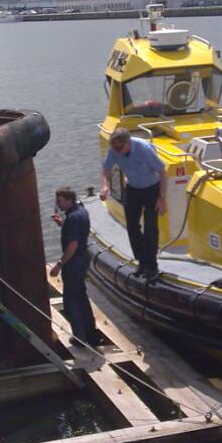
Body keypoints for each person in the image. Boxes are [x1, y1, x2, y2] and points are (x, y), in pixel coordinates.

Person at [100, 128, 167, 279]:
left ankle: (152, 265)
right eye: (115, 148)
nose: (117, 152)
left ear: (128, 142)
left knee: (150, 227)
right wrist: (104, 185)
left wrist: (161, 198)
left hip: (152, 189)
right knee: (131, 225)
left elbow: (162, 172)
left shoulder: (143, 149)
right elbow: (106, 168)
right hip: (133, 189)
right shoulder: (114, 150)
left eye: (120, 148)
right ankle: (142, 262)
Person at [50, 187, 96, 347]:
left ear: (69, 200)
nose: (58, 204)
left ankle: (79, 338)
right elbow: (80, 233)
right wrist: (62, 224)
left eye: (60, 200)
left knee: (70, 300)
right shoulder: (81, 211)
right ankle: (91, 333)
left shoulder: (73, 218)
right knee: (81, 296)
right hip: (83, 259)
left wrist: (59, 264)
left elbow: (73, 244)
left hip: (74, 262)